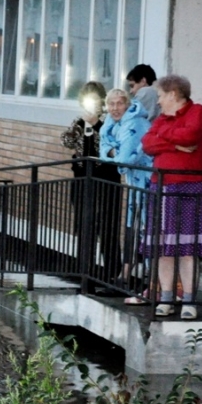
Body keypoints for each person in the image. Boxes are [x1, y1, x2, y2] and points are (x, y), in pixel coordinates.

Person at [141, 74, 202, 320]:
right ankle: (167, 297)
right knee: (163, 247)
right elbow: (147, 143)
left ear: (172, 94)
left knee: (187, 247)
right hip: (161, 187)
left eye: (160, 96)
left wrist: (165, 138)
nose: (158, 102)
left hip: (190, 187)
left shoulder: (198, 112)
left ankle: (190, 300)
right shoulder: (162, 118)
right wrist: (173, 145)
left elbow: (190, 137)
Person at [61, 81, 122, 293]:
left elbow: (106, 148)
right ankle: (85, 276)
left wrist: (95, 125)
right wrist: (81, 125)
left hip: (105, 180)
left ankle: (113, 276)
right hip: (82, 181)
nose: (92, 105)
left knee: (107, 229)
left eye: (96, 100)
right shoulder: (80, 121)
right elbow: (66, 141)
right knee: (85, 228)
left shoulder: (109, 123)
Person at [99, 87, 153, 299]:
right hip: (133, 183)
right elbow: (103, 148)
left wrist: (112, 152)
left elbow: (126, 158)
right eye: (111, 104)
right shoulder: (112, 124)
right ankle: (124, 277)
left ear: (128, 104)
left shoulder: (135, 122)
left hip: (147, 183)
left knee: (147, 229)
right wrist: (113, 151)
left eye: (119, 103)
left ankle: (151, 281)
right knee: (131, 228)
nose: (115, 108)